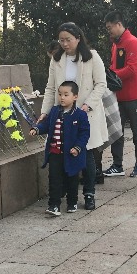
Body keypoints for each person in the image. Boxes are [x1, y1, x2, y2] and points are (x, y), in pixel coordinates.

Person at [38, 22, 108, 210]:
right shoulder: (57, 59)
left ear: (78, 38)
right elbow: (51, 87)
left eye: (68, 40)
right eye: (61, 40)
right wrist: (45, 113)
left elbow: (101, 84)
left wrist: (87, 105)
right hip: (63, 113)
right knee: (64, 152)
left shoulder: (92, 56)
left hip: (86, 112)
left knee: (87, 154)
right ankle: (64, 193)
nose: (65, 44)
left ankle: (89, 193)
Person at [30, 81, 90, 216]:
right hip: (55, 152)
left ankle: (72, 201)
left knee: (72, 179)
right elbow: (46, 125)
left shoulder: (80, 115)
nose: (62, 97)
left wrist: (77, 147)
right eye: (60, 94)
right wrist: (37, 129)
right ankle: (54, 205)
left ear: (75, 97)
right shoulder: (55, 111)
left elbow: (84, 134)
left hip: (71, 154)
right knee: (54, 178)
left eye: (66, 94)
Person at [102, 10, 137, 178]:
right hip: (118, 95)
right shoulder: (115, 44)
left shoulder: (132, 42)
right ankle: (117, 165)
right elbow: (114, 66)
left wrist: (111, 76)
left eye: (110, 28)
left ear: (119, 24)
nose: (109, 31)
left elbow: (132, 69)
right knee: (116, 132)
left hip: (134, 95)